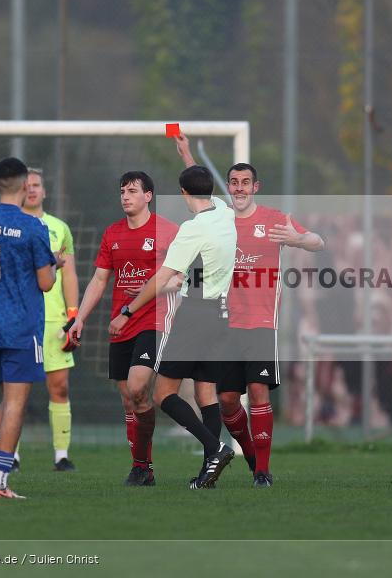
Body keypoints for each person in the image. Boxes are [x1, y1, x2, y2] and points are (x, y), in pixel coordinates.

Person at [199, 149, 324, 487]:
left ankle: (263, 472)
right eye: (234, 183)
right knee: (227, 401)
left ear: (256, 187)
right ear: (228, 186)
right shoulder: (219, 220)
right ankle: (255, 458)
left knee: (258, 391)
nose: (240, 188)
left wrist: (297, 239)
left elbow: (317, 241)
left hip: (260, 323)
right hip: (224, 325)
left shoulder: (273, 219)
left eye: (245, 183)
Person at [110, 164, 237, 489]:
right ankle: (209, 469)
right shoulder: (224, 213)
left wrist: (127, 309)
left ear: (182, 193)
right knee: (205, 390)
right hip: (222, 315)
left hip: (195, 314)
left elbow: (163, 277)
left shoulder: (192, 230)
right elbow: (200, 184)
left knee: (163, 394)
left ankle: (215, 448)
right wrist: (185, 155)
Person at [69, 171, 179, 486]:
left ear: (149, 196)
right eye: (122, 191)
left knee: (137, 387)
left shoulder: (166, 231)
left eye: (132, 191)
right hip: (121, 325)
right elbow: (100, 280)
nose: (125, 196)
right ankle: (142, 467)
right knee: (129, 399)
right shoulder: (112, 233)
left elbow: (179, 278)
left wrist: (152, 289)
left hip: (153, 320)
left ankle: (142, 465)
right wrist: (80, 317)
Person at [0, 157, 59, 499]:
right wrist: (55, 263)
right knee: (17, 404)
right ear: (25, 187)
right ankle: (0, 483)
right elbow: (46, 283)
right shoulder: (32, 227)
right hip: (20, 327)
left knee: (7, 399)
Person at [22, 168, 79, 471]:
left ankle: (61, 455)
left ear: (44, 191)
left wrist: (73, 316)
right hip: (22, 319)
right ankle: (12, 455)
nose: (31, 189)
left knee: (60, 388)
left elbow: (68, 273)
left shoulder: (60, 228)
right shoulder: (11, 226)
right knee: (17, 387)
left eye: (36, 185)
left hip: (54, 321)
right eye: (26, 185)